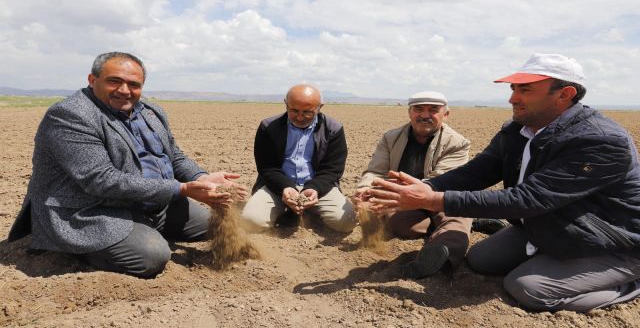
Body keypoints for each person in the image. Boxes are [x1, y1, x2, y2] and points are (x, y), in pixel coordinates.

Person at [366, 53, 640, 312]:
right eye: (513, 89)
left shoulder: (600, 141)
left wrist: (434, 200)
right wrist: (430, 187)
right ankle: (547, 255)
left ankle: (629, 282)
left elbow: (528, 200)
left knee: (527, 288)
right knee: (480, 260)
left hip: (611, 241)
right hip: (549, 225)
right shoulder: (518, 131)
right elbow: (478, 171)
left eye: (525, 90)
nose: (513, 98)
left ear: (564, 94)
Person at [7, 52, 247, 278]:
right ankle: (73, 246)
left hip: (151, 204)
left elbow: (174, 156)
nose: (125, 90)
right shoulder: (71, 115)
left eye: (134, 85)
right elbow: (100, 179)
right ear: (93, 80)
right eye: (114, 81)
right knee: (152, 256)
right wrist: (181, 189)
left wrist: (201, 177)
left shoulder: (150, 112)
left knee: (213, 226)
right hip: (90, 210)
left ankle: (141, 229)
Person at [353, 91, 474, 278]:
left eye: (433, 110)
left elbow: (442, 180)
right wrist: (364, 189)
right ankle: (473, 220)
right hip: (406, 200)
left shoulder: (457, 143)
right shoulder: (391, 138)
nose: (424, 115)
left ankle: (441, 257)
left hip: (439, 196)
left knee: (455, 218)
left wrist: (404, 192)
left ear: (446, 114)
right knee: (398, 224)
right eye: (419, 109)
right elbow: (376, 171)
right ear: (409, 112)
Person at [241, 84, 357, 233]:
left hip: (319, 188)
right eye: (294, 111)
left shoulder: (333, 129)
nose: (300, 117)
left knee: (346, 222)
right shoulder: (268, 127)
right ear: (286, 104)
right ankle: (289, 210)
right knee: (251, 222)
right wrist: (286, 188)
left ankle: (306, 210)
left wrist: (314, 188)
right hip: (278, 187)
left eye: (307, 112)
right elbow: (267, 167)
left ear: (320, 107)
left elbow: (332, 169)